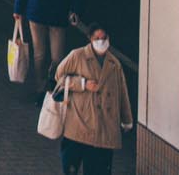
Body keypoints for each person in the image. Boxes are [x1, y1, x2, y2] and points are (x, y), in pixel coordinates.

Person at [51, 24, 133, 174]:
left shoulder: (114, 64)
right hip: (79, 125)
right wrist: (82, 84)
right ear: (90, 38)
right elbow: (59, 77)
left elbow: (122, 93)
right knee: (70, 167)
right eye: (97, 38)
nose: (101, 41)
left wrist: (127, 120)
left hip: (104, 129)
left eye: (104, 38)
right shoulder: (77, 56)